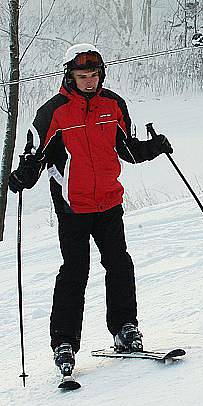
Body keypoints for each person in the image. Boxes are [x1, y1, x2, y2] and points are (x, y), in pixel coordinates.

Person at [8, 44, 173, 373]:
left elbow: (127, 149)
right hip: (73, 208)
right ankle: (64, 342)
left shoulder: (113, 104)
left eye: (93, 75)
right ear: (70, 76)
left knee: (119, 265)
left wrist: (154, 147)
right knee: (74, 272)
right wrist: (25, 173)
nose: (88, 81)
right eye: (82, 76)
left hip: (110, 202)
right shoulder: (52, 112)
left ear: (101, 75)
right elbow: (34, 154)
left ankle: (125, 329)